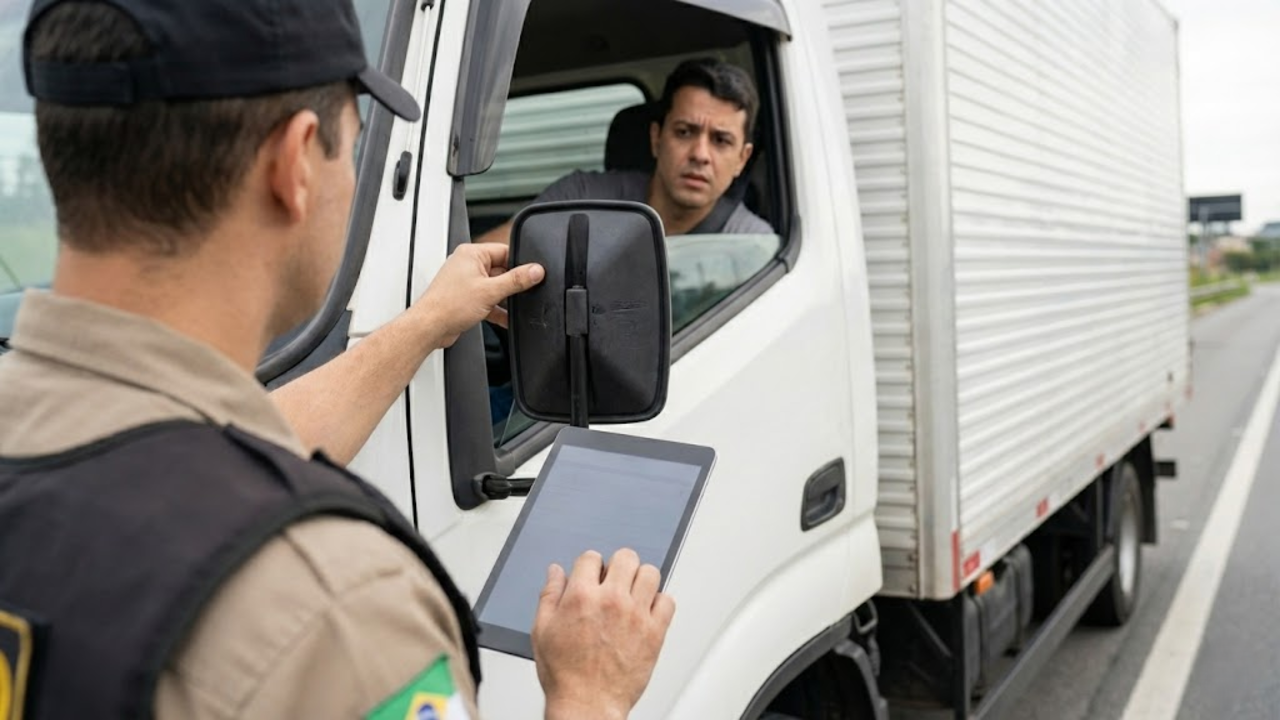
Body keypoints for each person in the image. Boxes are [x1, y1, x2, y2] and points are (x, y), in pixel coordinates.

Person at [0, 2, 674, 719]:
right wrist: (588, 696)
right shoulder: (339, 613)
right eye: (354, 151)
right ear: (293, 164)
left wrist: (421, 326)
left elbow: (206, 451)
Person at [478, 58, 774, 243]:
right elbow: (485, 265)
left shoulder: (751, 246)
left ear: (742, 159)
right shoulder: (581, 197)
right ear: (656, 138)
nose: (700, 154)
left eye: (721, 140)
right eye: (684, 132)